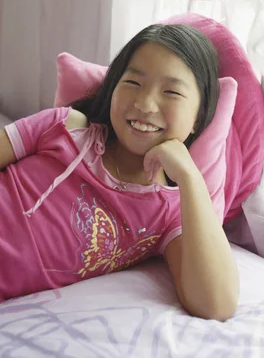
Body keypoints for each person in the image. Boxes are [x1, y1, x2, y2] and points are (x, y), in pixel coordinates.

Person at [0, 24, 239, 320]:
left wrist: (191, 177)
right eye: (133, 83)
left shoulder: (170, 213)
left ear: (198, 118)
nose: (145, 104)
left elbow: (217, 304)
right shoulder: (66, 127)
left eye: (172, 92)